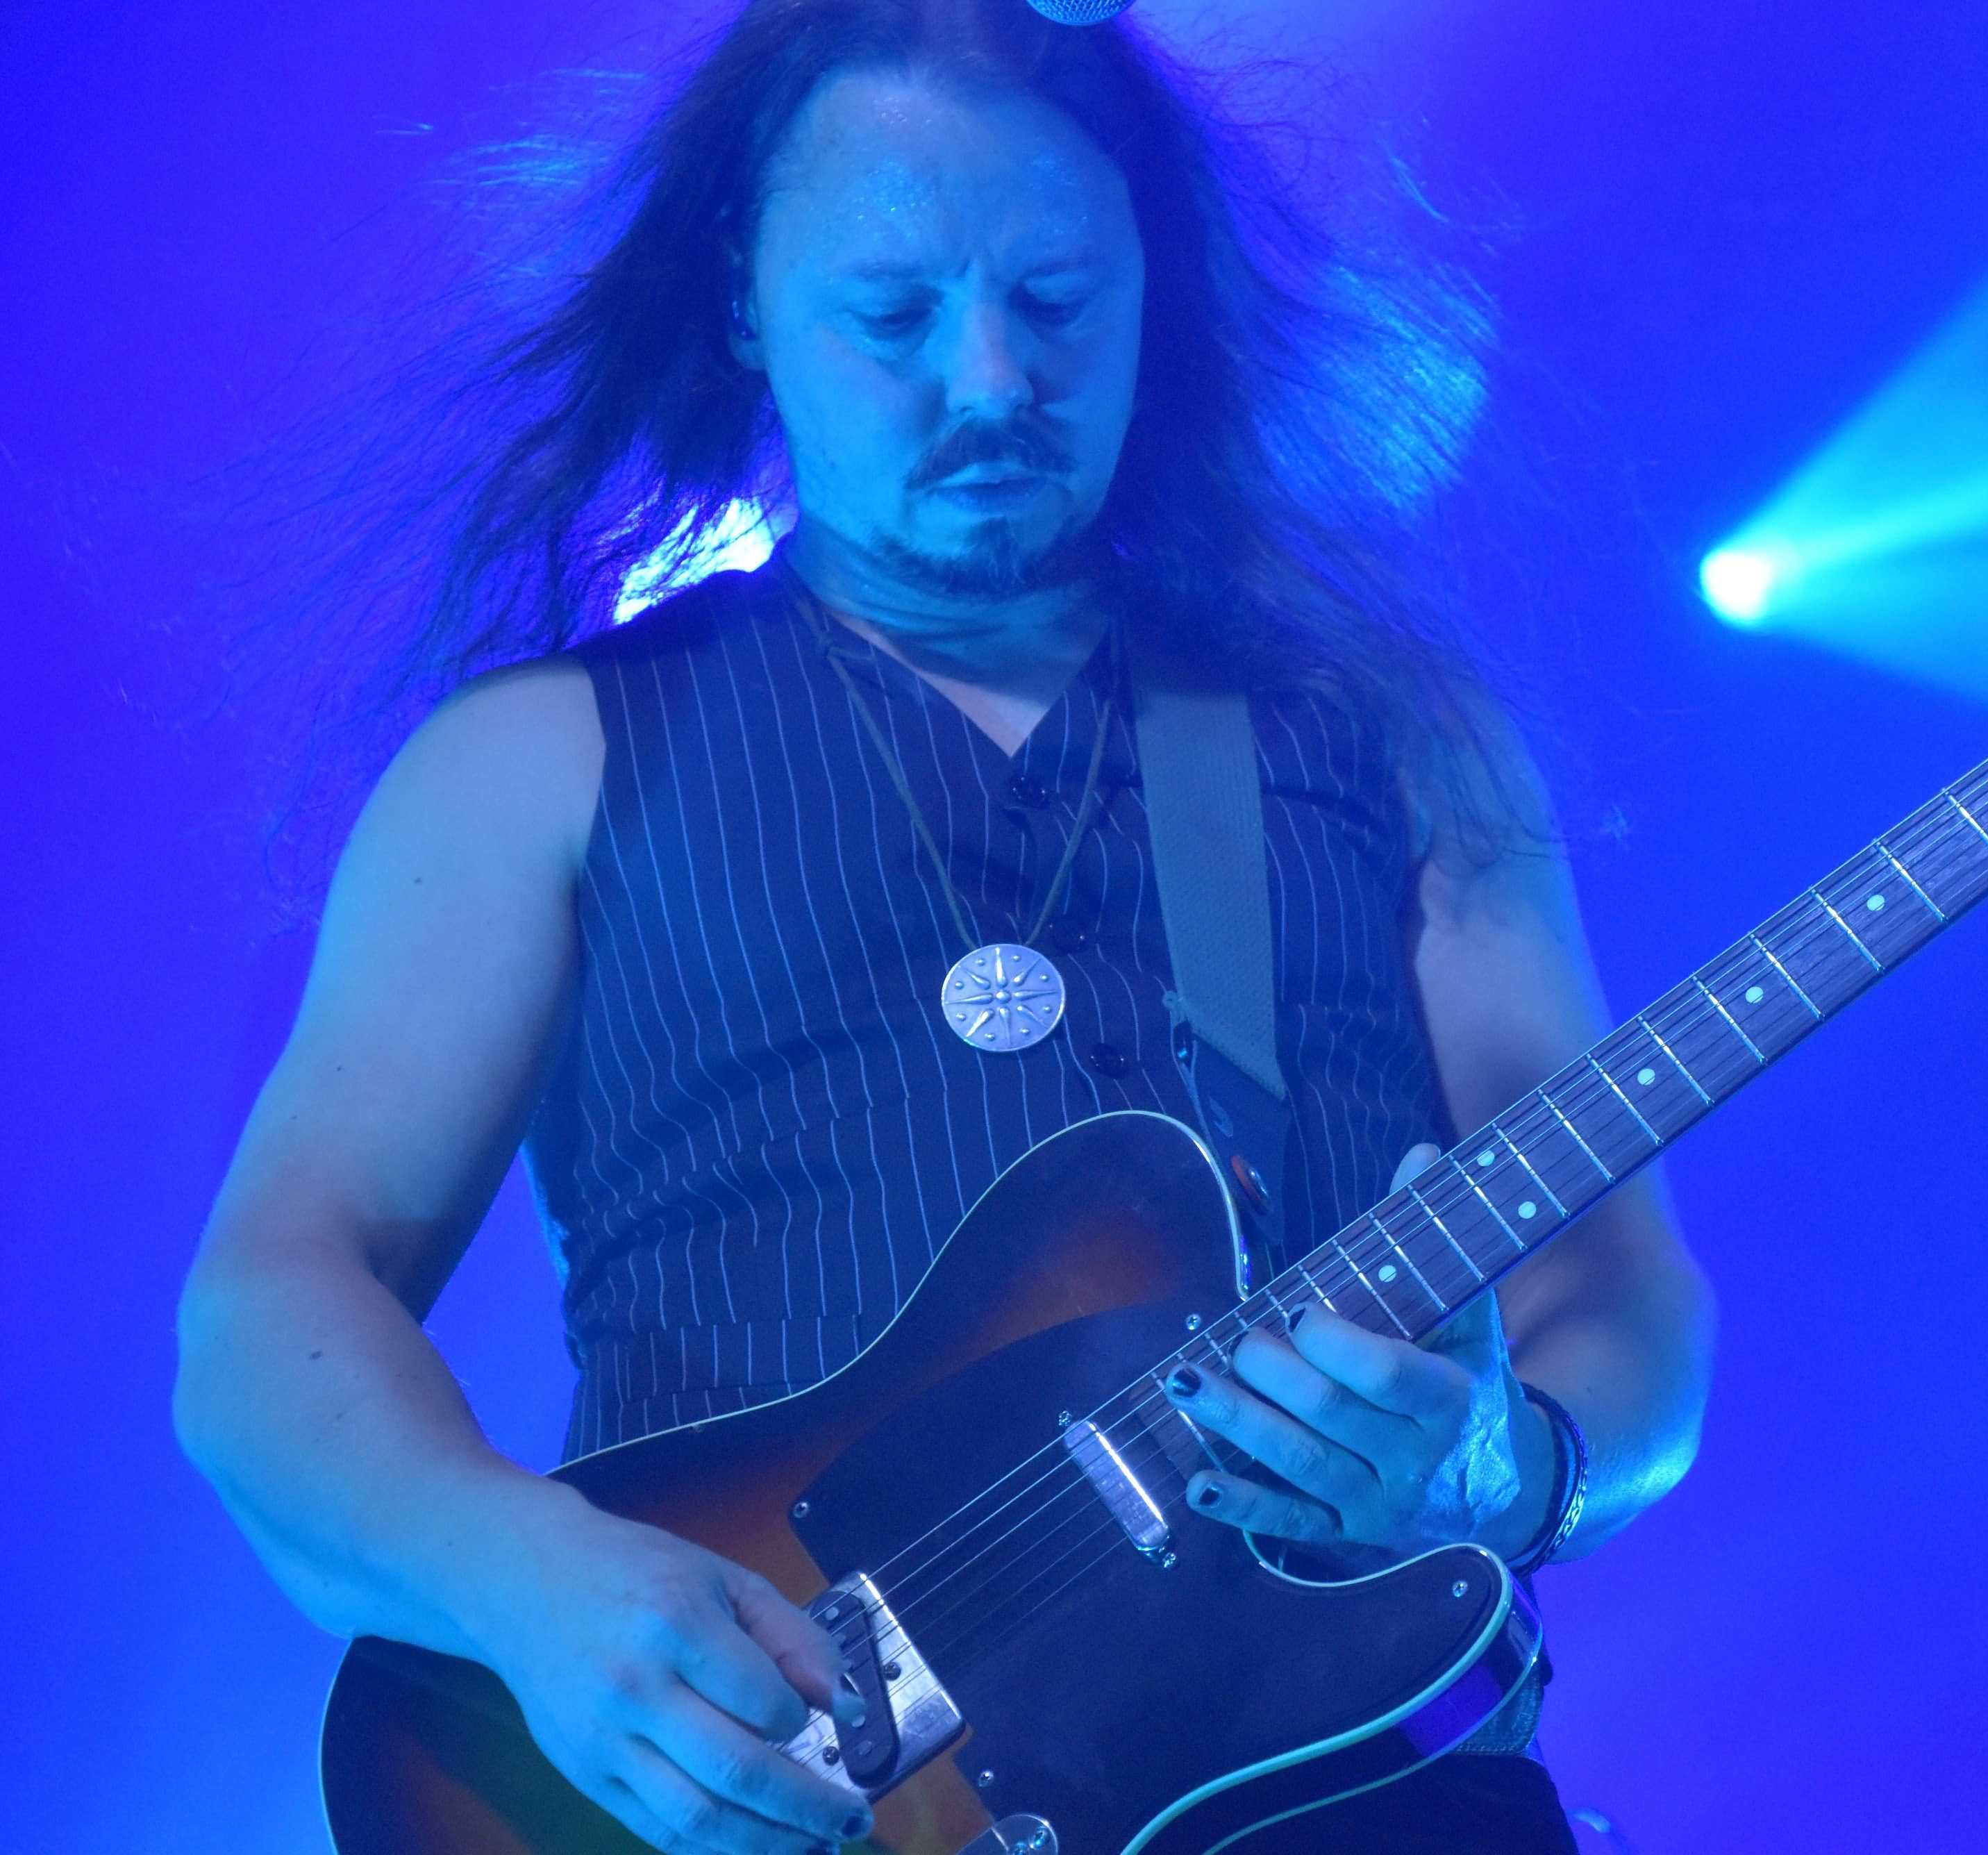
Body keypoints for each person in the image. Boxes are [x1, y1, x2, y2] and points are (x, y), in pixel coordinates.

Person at [173, 4, 1714, 1852]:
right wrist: (522, 1582)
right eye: (893, 315)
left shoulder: (1393, 739)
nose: (992, 379)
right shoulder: (540, 763)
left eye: (1057, 300)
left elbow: (1618, 1294)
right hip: (788, 1791)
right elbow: (274, 1303)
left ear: (1153, 277)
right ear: (744, 300)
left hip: (1351, 1789)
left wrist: (1508, 1465)